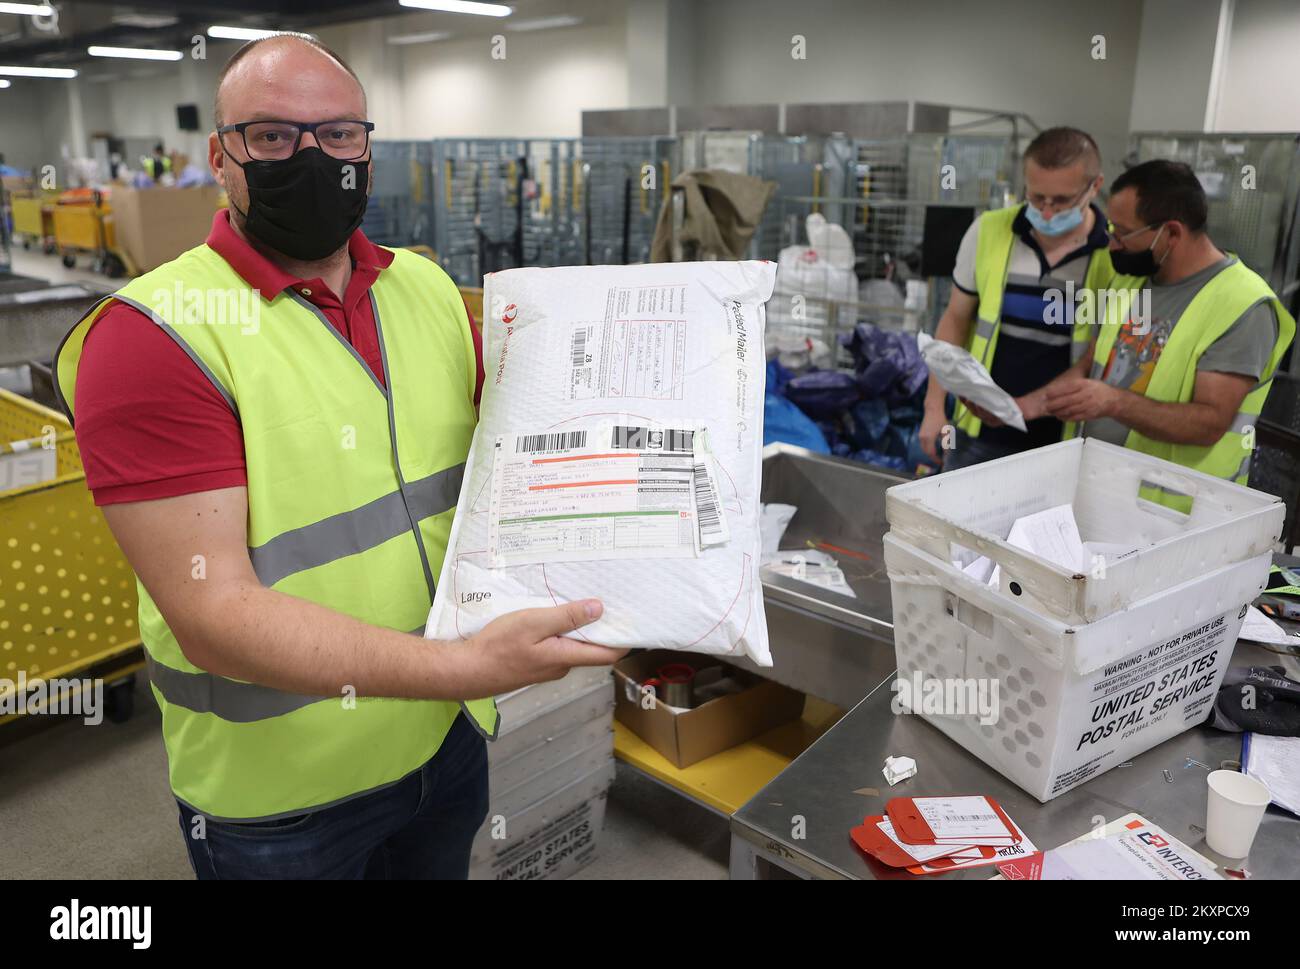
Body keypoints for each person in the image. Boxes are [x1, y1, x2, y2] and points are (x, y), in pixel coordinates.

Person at [53, 34, 624, 880]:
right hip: (285, 795)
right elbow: (214, 616)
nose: (313, 157)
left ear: (368, 145)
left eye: (338, 134)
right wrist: (462, 666)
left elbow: (508, 466)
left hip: (444, 741)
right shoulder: (156, 335)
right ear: (220, 157)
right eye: (274, 137)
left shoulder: (423, 288)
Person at [1047, 159, 1294, 507]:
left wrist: (1112, 401)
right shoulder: (1133, 281)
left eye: (1123, 234)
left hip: (1173, 516)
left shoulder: (1243, 304)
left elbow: (1208, 423)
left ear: (1172, 233)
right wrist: (1028, 405)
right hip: (1094, 490)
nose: (1112, 244)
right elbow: (1095, 361)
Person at [920, 126, 1120, 469]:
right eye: (1036, 196)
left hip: (1065, 443)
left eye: (1060, 201)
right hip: (979, 434)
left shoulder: (1114, 252)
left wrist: (1032, 405)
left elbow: (1103, 350)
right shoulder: (988, 231)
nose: (1045, 212)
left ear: (1094, 187)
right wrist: (934, 408)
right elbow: (955, 318)